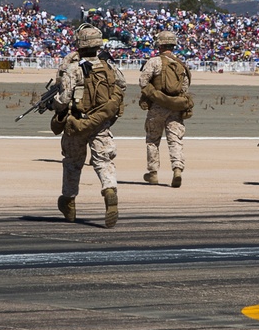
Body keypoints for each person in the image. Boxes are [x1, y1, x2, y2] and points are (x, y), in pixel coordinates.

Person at [50, 24, 126, 227]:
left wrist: (54, 104)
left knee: (73, 162)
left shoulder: (73, 69)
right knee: (104, 161)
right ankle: (109, 190)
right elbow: (122, 85)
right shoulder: (109, 67)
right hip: (101, 122)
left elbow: (64, 99)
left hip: (77, 121)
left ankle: (69, 200)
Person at [138, 30, 193, 188]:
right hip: (175, 107)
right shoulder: (181, 65)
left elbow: (143, 81)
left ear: (160, 45)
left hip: (157, 106)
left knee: (152, 140)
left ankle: (153, 172)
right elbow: (185, 88)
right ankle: (177, 169)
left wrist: (154, 95)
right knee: (175, 140)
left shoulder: (154, 62)